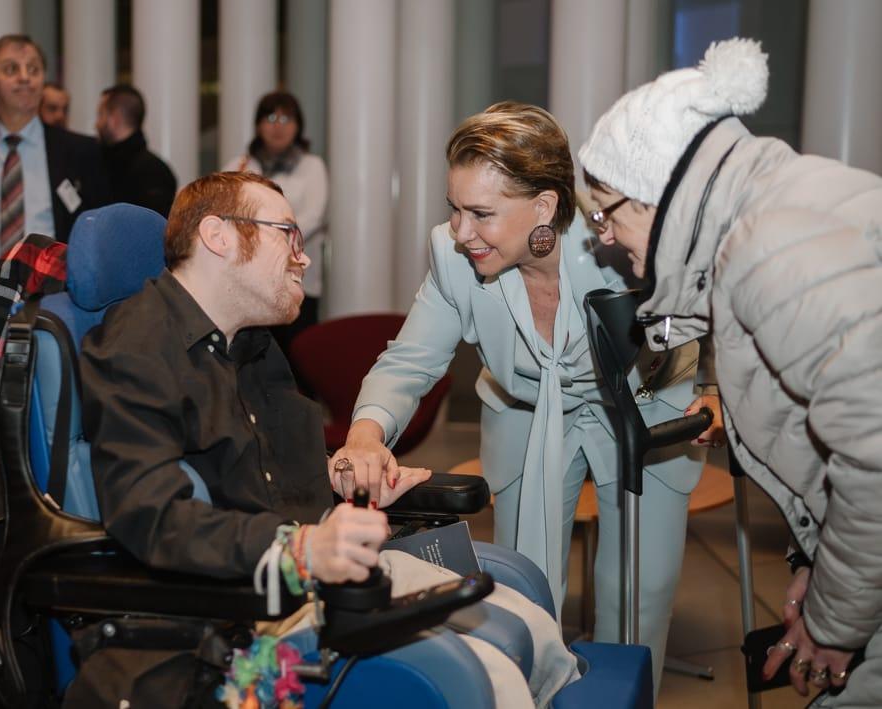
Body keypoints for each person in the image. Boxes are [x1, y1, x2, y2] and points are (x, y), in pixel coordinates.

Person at [78, 171, 579, 707]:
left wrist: (338, 477)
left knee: (536, 630)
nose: (305, 257)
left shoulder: (250, 345)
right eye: (287, 235)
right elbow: (150, 516)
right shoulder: (135, 348)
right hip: (245, 601)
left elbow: (268, 467)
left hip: (317, 568)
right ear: (218, 236)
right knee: (490, 676)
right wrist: (305, 547)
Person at [333, 101, 723, 694]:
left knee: (637, 590)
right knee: (521, 588)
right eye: (455, 210)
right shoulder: (453, 255)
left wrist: (716, 391)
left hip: (644, 411)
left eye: (482, 214)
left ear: (545, 206)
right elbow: (411, 359)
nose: (462, 233)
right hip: (526, 417)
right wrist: (366, 432)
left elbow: (703, 312)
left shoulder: (621, 244)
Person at [579, 38, 882, 706]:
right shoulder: (777, 207)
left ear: (655, 197)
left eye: (603, 210)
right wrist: (817, 565)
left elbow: (873, 458)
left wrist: (836, 621)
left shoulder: (766, 249)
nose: (601, 235)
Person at [0, 34, 110, 348]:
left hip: (60, 302)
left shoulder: (80, 151)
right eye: (11, 69)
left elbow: (96, 228)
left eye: (33, 69)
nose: (24, 77)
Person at [224, 91, 327, 357]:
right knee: (253, 358)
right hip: (249, 279)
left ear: (298, 125)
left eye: (286, 118)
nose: (278, 125)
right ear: (258, 124)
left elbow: (313, 217)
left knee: (299, 358)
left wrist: (264, 238)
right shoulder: (241, 165)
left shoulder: (311, 166)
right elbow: (222, 210)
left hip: (299, 279)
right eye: (270, 117)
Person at [95, 83, 177, 216]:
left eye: (100, 115)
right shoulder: (99, 162)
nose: (96, 124)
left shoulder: (153, 172)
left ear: (114, 119)